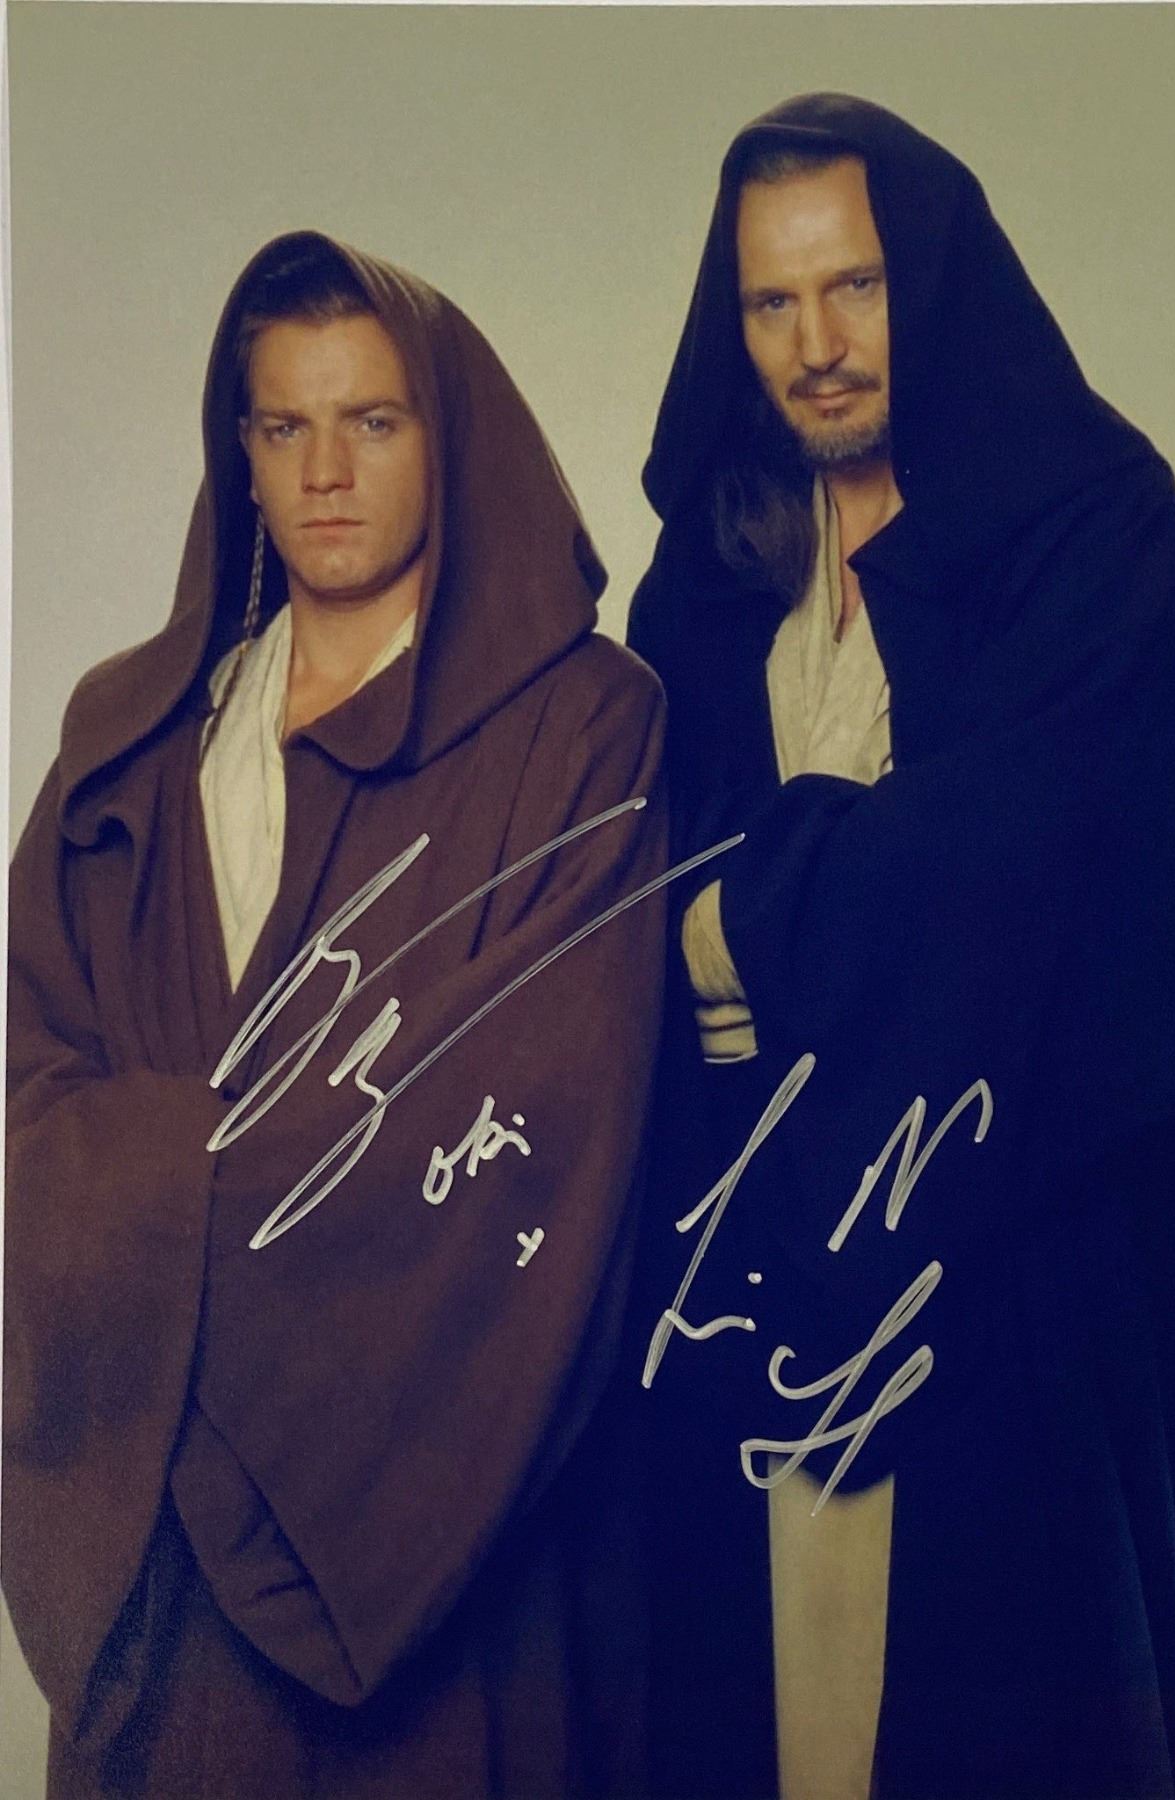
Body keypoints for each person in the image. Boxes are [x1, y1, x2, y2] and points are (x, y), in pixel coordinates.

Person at [4, 231, 667, 1799]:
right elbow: (32, 1085)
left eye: (371, 421)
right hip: (162, 1524)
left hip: (443, 1512)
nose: (324, 472)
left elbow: (539, 1112)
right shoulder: (132, 741)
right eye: (281, 425)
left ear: (449, 436)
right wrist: (202, 1189)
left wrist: (162, 1201)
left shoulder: (583, 728)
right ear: (238, 453)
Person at [627, 93, 1175, 1800]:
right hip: (749, 1257)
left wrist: (740, 923)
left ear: (931, 279)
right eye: (770, 302)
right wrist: (824, 894)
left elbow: (1032, 885)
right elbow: (632, 873)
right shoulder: (714, 574)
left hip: (1017, 1261)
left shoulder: (1095, 531)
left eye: (854, 286)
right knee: (758, 1719)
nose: (815, 344)